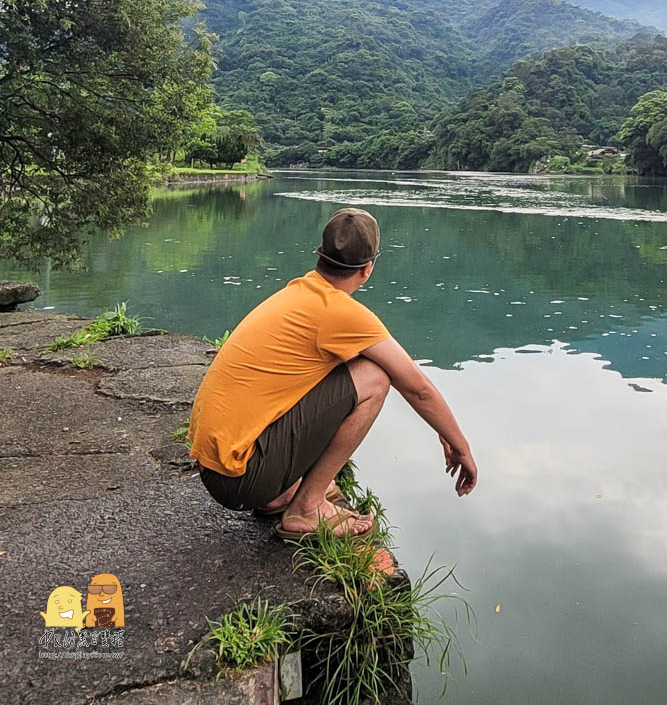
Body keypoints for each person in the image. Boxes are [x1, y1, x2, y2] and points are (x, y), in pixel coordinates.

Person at [188, 207, 477, 539]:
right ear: (367, 269)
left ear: (320, 256)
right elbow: (418, 387)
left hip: (217, 466)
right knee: (374, 377)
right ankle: (306, 510)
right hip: (239, 478)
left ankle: (280, 493)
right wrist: (461, 445)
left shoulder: (299, 292)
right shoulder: (339, 313)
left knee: (343, 370)